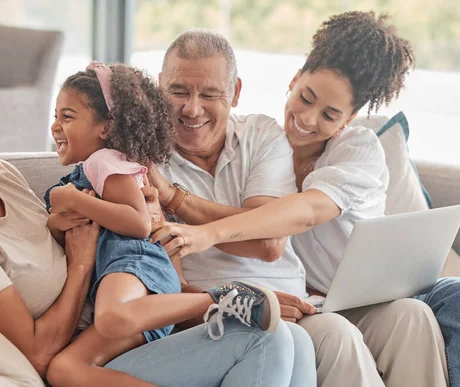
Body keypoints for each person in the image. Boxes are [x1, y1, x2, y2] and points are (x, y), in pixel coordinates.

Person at [0, 64, 316, 387]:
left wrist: (139, 215)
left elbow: (93, 233)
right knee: (268, 345)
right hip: (90, 354)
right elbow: (39, 352)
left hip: (124, 325)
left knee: (291, 335)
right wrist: (79, 265)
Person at [147, 18, 449, 387]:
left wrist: (186, 211)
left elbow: (285, 227)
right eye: (306, 98)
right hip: (308, 304)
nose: (306, 118)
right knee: (338, 335)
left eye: (329, 114)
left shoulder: (326, 147)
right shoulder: (150, 156)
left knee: (413, 315)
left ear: (348, 120)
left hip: (361, 299)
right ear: (293, 81)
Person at [41, 61, 283, 386]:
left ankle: (221, 298)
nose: (56, 126)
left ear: (105, 127)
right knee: (65, 369)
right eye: (56, 116)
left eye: (67, 116)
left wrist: (73, 199)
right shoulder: (102, 167)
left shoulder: (104, 162)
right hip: (139, 286)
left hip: (134, 265)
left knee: (111, 319)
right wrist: (59, 217)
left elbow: (138, 223)